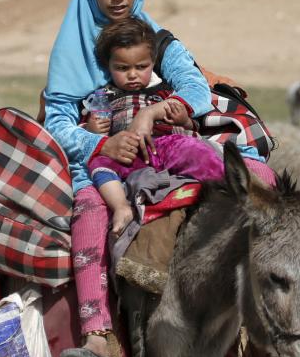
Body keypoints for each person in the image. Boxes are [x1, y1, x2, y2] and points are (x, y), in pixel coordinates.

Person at [42, 0, 276, 357]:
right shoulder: (71, 48)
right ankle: (97, 339)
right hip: (104, 164)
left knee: (259, 181)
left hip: (168, 150)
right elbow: (57, 122)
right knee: (90, 214)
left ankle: (265, 315)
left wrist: (155, 110)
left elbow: (194, 87)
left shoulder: (156, 38)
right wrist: (102, 146)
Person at [86, 18, 225, 235]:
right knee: (99, 163)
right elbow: (94, 130)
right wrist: (92, 131)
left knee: (199, 152)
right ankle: (121, 207)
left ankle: (224, 195)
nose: (132, 74)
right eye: (122, 68)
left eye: (141, 67)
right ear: (108, 66)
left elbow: (193, 127)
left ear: (152, 62)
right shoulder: (104, 96)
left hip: (169, 146)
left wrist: (184, 120)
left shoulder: (166, 91)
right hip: (130, 154)